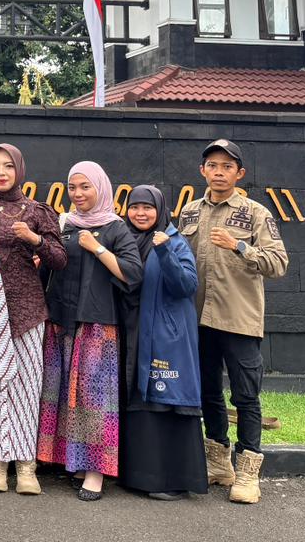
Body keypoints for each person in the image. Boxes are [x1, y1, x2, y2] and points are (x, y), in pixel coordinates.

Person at [179, 139, 288, 504]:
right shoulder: (189, 212)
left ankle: (247, 473)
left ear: (239, 173)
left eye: (227, 166)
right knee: (207, 391)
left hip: (238, 319)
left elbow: (278, 263)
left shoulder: (256, 213)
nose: (219, 172)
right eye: (213, 165)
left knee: (245, 395)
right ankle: (218, 462)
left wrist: (239, 246)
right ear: (202, 171)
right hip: (198, 318)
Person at [0, 143, 66, 495]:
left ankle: (25, 466)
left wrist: (34, 239)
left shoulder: (37, 210)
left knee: (27, 387)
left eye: (8, 166)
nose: (1, 172)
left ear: (19, 169)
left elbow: (59, 260)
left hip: (26, 312)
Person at [38, 161, 142, 501]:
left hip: (96, 326)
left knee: (93, 400)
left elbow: (132, 274)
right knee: (62, 394)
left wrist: (97, 248)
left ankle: (96, 471)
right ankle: (75, 463)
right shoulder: (64, 224)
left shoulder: (115, 228)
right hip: (60, 320)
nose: (78, 194)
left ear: (100, 187)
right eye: (73, 187)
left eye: (85, 187)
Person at [117, 185, 208, 501]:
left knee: (166, 399)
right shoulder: (124, 239)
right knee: (139, 401)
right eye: (134, 207)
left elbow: (187, 286)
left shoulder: (174, 240)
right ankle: (138, 477)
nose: (140, 213)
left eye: (148, 207)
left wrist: (165, 251)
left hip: (166, 337)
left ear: (160, 210)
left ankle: (173, 480)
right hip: (133, 332)